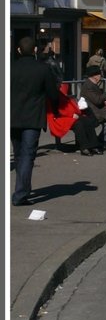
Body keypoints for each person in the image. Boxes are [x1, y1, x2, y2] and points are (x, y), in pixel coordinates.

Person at [11, 36, 65, 205]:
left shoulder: (9, 68)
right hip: (33, 118)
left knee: (19, 155)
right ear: (35, 50)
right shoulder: (42, 69)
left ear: (19, 51)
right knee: (28, 155)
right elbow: (53, 94)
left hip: (12, 117)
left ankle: (21, 188)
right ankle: (20, 193)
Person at [80, 64, 106, 150]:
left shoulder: (93, 85)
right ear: (95, 76)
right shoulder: (88, 86)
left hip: (98, 110)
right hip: (93, 112)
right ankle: (101, 140)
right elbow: (97, 100)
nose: (101, 76)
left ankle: (102, 139)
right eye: (100, 74)